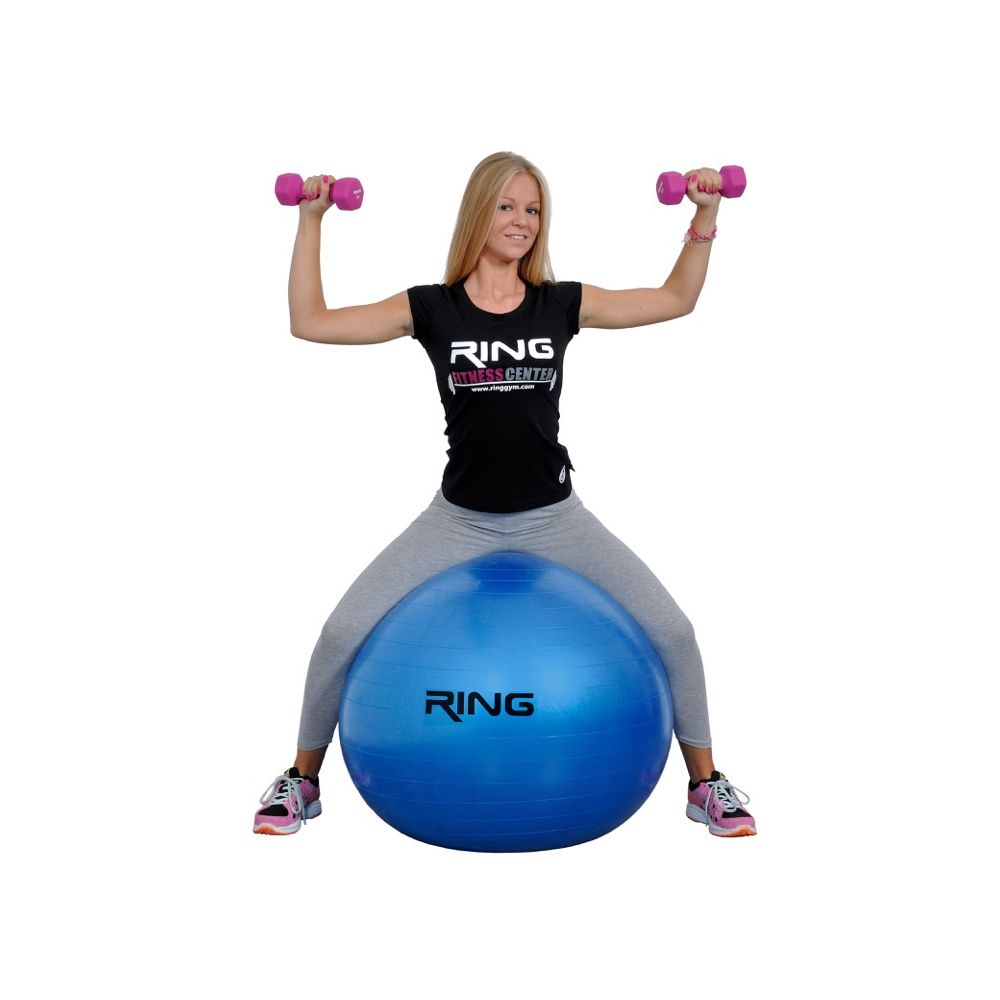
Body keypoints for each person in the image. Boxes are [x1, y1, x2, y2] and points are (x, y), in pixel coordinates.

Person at [254, 152, 756, 839]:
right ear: (478, 213)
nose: (522, 220)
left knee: (673, 631)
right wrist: (311, 219)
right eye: (507, 206)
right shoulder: (431, 308)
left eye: (534, 209)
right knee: (342, 632)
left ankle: (706, 784)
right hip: (459, 522)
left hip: (555, 519)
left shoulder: (560, 303)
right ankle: (301, 780)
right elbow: (309, 321)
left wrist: (706, 214)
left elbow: (675, 300)